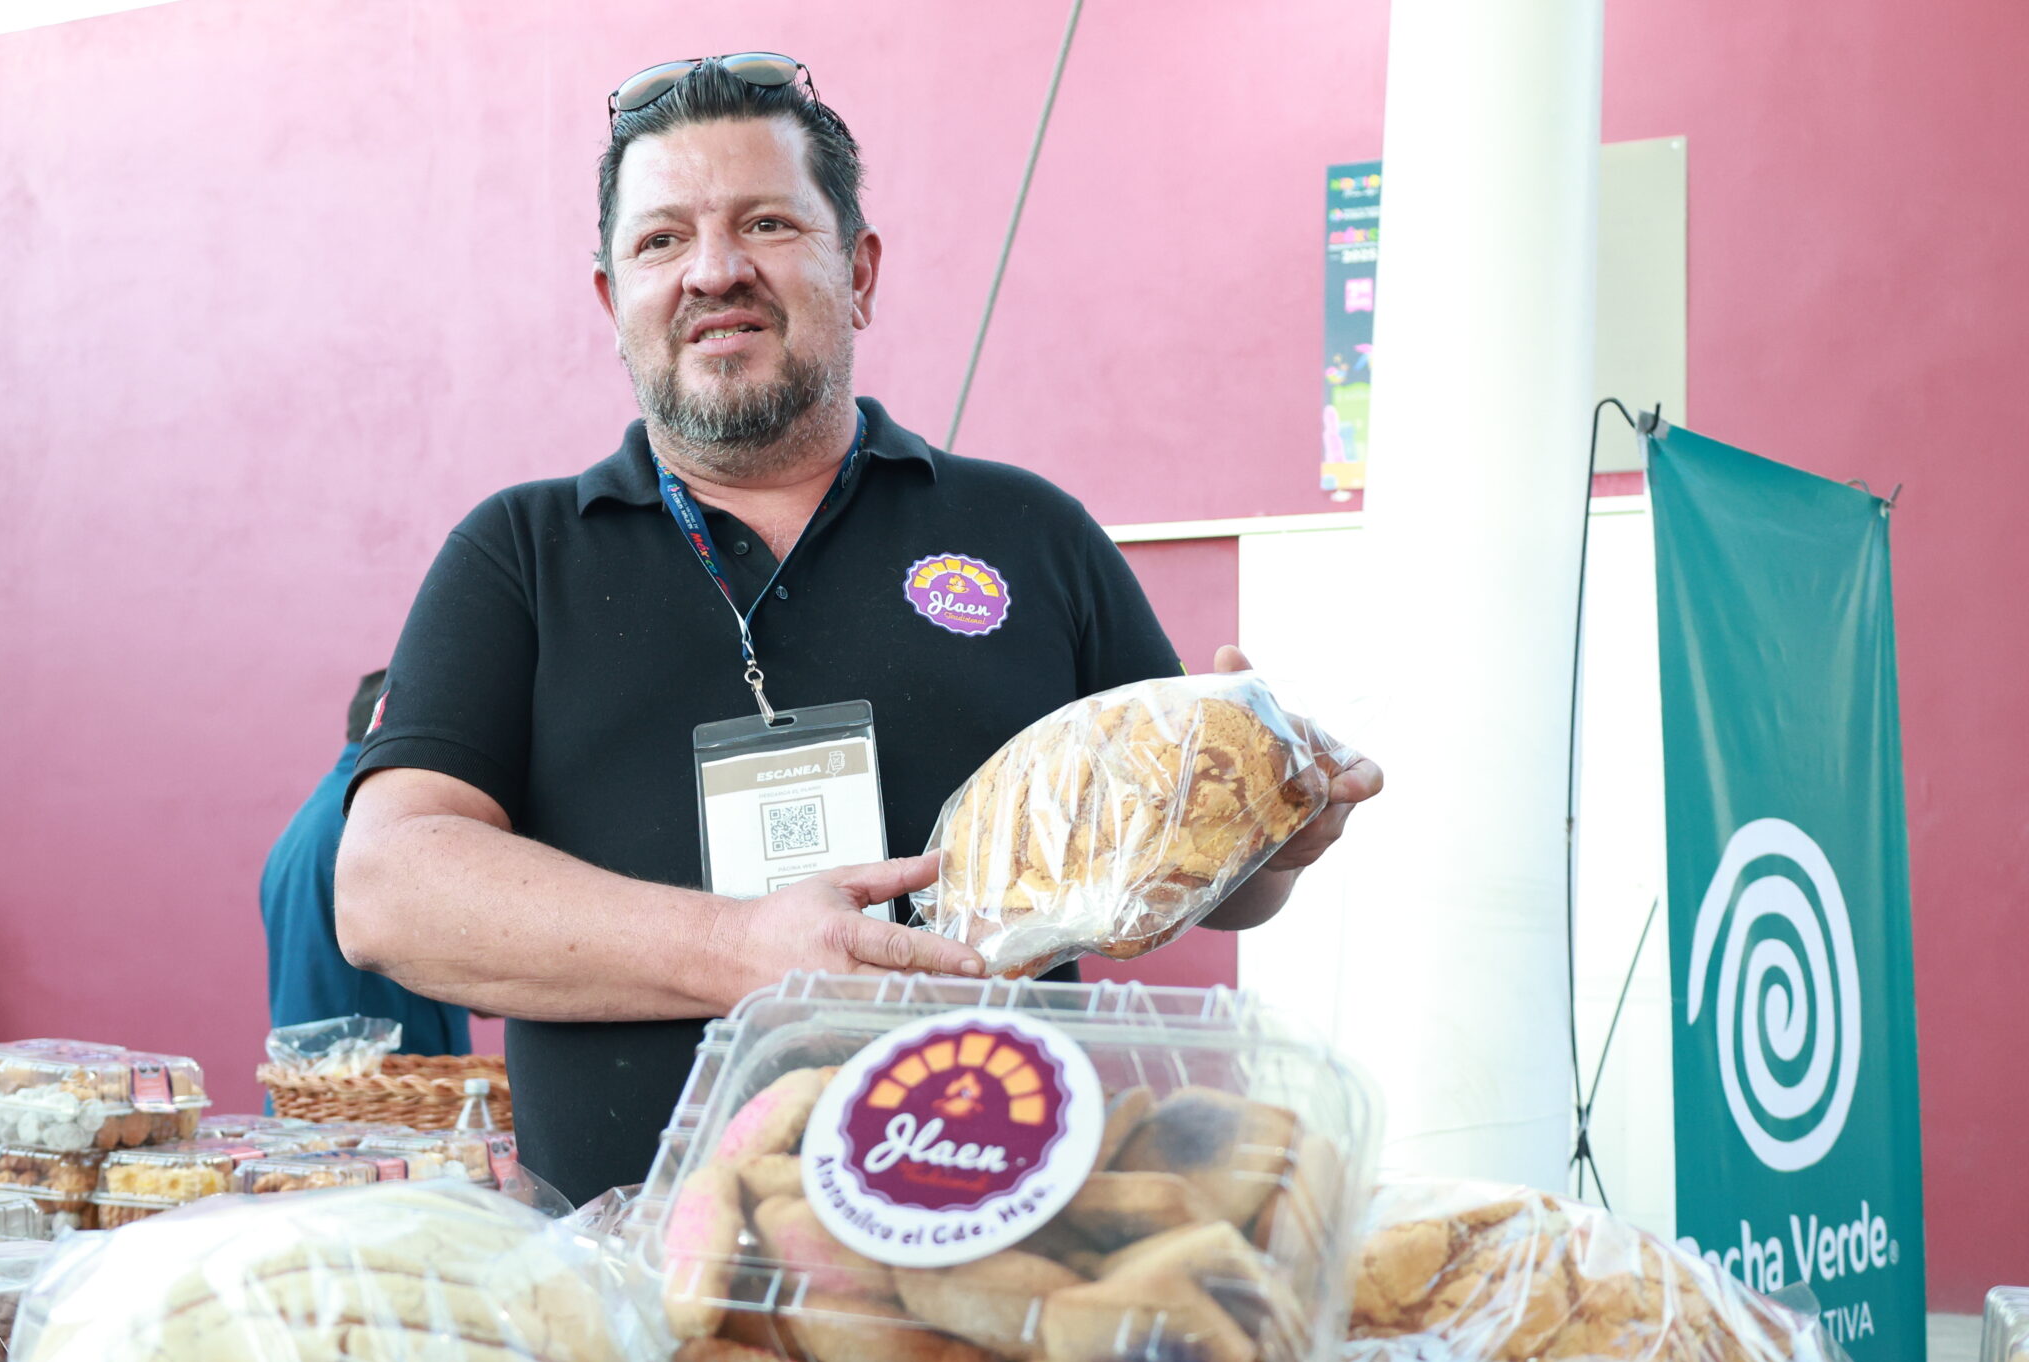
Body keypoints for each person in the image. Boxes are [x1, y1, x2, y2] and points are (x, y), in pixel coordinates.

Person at [338, 56, 1381, 1204]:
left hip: (1004, 1242)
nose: (714, 271)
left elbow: (1197, 885)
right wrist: (740, 953)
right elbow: (386, 888)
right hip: (633, 1275)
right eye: (662, 240)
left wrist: (1270, 836)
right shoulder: (518, 556)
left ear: (860, 270)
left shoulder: (1031, 533)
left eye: (767, 223)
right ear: (611, 301)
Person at [261, 669, 471, 1054]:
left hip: (319, 1080)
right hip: (382, 1083)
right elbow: (474, 965)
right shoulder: (385, 822)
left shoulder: (309, 821)